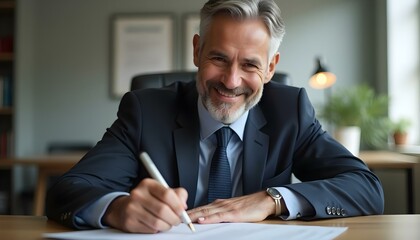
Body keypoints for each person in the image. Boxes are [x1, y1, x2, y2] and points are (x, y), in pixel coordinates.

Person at [46, 0, 384, 234]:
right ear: (197, 50)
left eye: (250, 64)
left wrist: (272, 199)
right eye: (219, 59)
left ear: (270, 68)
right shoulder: (146, 111)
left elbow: (366, 188)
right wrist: (117, 209)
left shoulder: (289, 111)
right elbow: (67, 191)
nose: (231, 81)